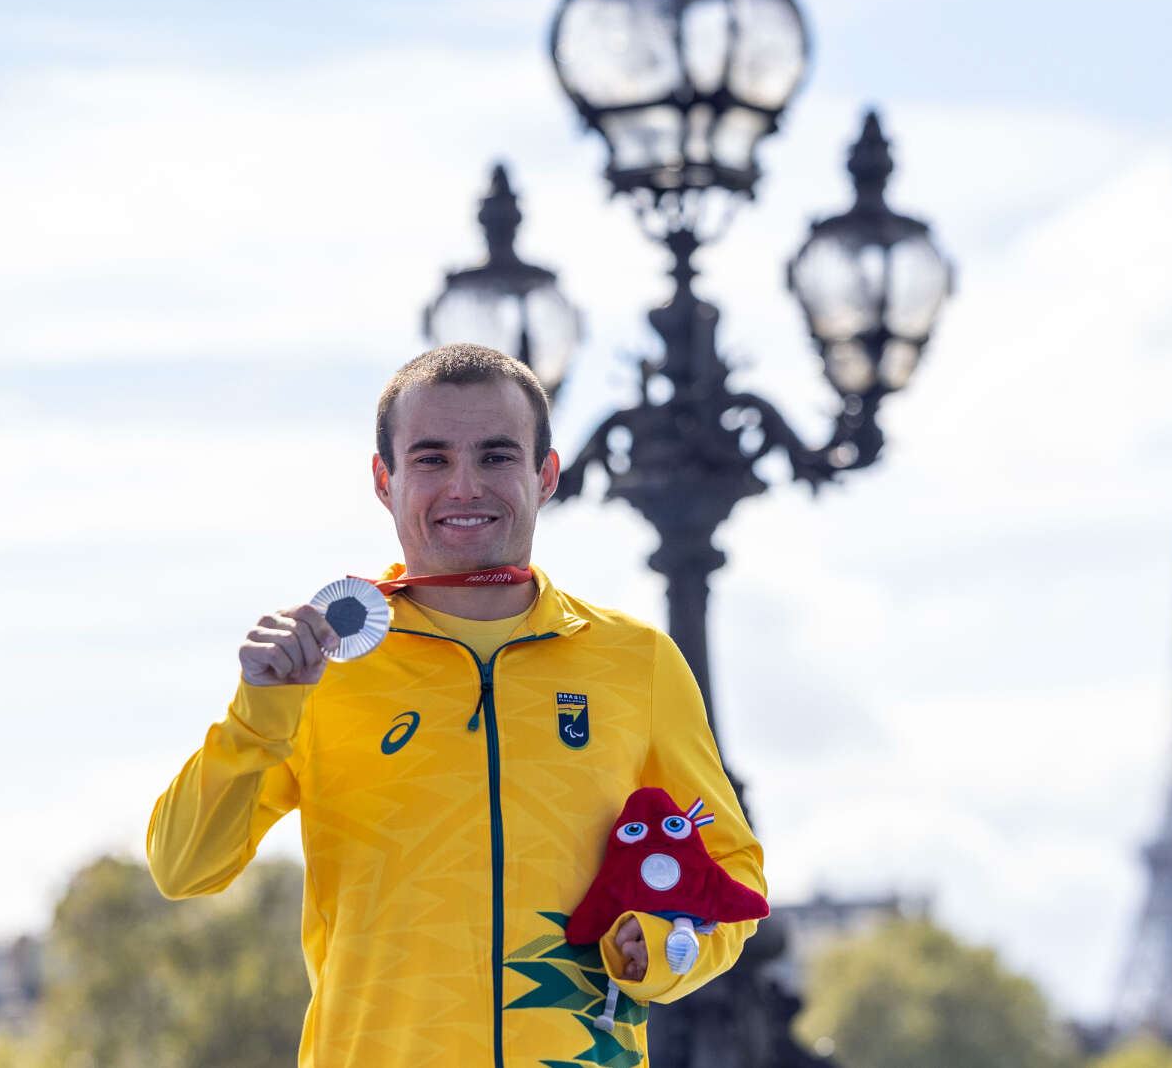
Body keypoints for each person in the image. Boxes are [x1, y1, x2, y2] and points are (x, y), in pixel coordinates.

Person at [146, 343, 764, 1068]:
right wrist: (260, 713)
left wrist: (666, 946)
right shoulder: (318, 670)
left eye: (497, 457)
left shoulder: (637, 662)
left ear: (547, 474)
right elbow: (183, 865)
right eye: (433, 459)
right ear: (385, 479)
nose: (464, 486)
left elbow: (732, 877)